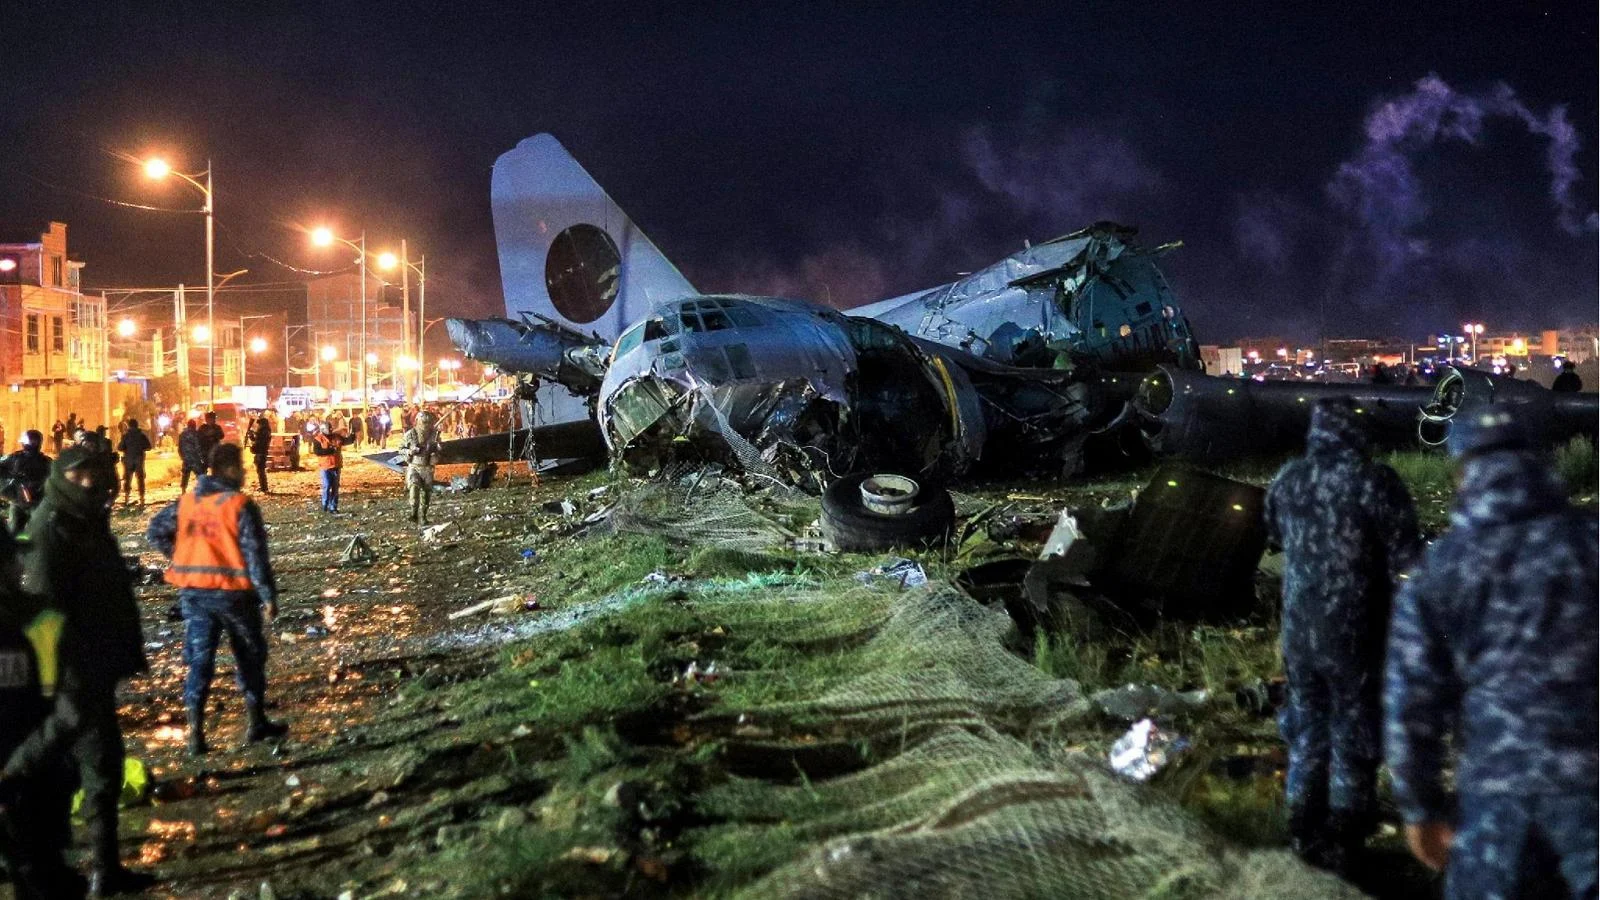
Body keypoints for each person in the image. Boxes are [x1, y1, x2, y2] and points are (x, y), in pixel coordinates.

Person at [1384, 411, 1597, 898]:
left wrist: (1420, 808)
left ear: (1462, 471)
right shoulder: (1591, 544)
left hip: (1497, 799)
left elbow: (1411, 702)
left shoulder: (1442, 566)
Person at [1263, 399, 1423, 872]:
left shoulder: (1288, 479)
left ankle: (1301, 824)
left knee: (1308, 723)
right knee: (1353, 726)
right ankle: (1345, 832)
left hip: (1298, 627)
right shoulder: (1374, 481)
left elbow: (1273, 535)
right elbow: (1408, 557)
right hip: (1356, 629)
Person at [0, 447, 151, 896]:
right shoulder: (52, 529)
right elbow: (44, 612)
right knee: (72, 764)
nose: (92, 484)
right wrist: (62, 669)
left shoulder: (86, 524)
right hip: (72, 671)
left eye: (95, 475)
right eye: (81, 476)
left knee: (96, 767)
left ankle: (101, 868)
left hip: (93, 665)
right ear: (64, 479)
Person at [146, 444, 286, 757]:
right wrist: (268, 596)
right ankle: (256, 721)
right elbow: (255, 555)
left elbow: (155, 531)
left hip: (194, 595)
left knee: (199, 661)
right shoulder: (239, 504)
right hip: (234, 596)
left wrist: (181, 556)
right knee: (249, 656)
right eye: (241, 466)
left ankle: (195, 734)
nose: (246, 472)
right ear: (229, 469)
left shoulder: (187, 502)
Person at [0, 527, 80, 899]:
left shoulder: (39, 621)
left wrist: (17, 765)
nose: (18, 567)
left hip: (32, 776)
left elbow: (66, 705)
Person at [0, 432, 51, 535]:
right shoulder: (45, 461)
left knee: (33, 534)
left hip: (31, 503)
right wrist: (13, 477)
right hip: (25, 503)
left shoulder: (16, 458)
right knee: (19, 533)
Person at [397, 410, 443, 524]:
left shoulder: (434, 434)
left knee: (426, 493)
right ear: (418, 421)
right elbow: (400, 449)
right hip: (414, 466)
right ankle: (413, 513)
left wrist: (437, 448)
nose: (426, 425)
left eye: (428, 422)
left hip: (427, 467)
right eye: (424, 422)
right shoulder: (410, 434)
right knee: (413, 489)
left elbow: (439, 449)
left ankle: (423, 516)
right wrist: (409, 451)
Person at [309, 422, 352, 513]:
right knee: (327, 485)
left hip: (336, 465)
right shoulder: (318, 439)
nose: (330, 430)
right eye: (329, 429)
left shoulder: (336, 437)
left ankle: (333, 507)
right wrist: (331, 450)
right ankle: (325, 503)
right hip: (325, 467)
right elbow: (317, 451)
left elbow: (347, 441)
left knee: (335, 488)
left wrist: (352, 435)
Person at [115, 419, 152, 506]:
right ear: (137, 425)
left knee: (127, 480)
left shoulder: (126, 436)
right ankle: (142, 499)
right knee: (140, 480)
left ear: (130, 426)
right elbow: (149, 447)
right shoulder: (142, 435)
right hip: (139, 460)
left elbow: (120, 447)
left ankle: (127, 498)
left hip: (128, 461)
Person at [178, 419, 206, 491]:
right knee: (200, 474)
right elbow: (198, 447)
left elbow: (180, 446)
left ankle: (183, 490)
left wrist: (182, 456)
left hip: (186, 459)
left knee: (185, 475)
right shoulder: (196, 434)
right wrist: (202, 458)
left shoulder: (182, 434)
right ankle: (202, 489)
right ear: (194, 425)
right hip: (195, 459)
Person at [248, 417, 273, 493]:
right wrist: (251, 435)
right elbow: (256, 440)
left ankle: (264, 487)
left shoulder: (264, 431)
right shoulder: (262, 431)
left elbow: (260, 442)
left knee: (261, 470)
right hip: (260, 452)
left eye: (259, 424)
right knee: (260, 470)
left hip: (261, 453)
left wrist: (254, 434)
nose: (258, 426)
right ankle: (263, 487)